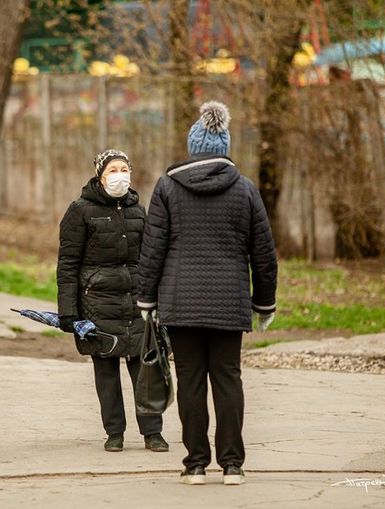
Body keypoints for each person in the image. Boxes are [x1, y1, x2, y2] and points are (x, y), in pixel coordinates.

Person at [137, 102, 278, 485]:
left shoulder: (168, 187)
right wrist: (264, 303)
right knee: (228, 379)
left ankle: (195, 464)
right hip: (229, 302)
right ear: (225, 147)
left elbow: (153, 249)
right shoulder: (245, 189)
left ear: (192, 147)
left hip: (181, 303)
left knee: (191, 381)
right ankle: (233, 465)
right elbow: (263, 253)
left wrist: (146, 300)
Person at [57, 149, 169, 453]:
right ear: (99, 174)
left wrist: (157, 300)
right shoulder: (79, 211)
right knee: (106, 372)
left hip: (135, 304)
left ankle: (152, 432)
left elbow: (150, 259)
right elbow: (67, 265)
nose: (119, 175)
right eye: (112, 170)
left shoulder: (138, 210)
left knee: (145, 371)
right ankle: (114, 432)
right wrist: (68, 311)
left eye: (124, 169)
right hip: (97, 305)